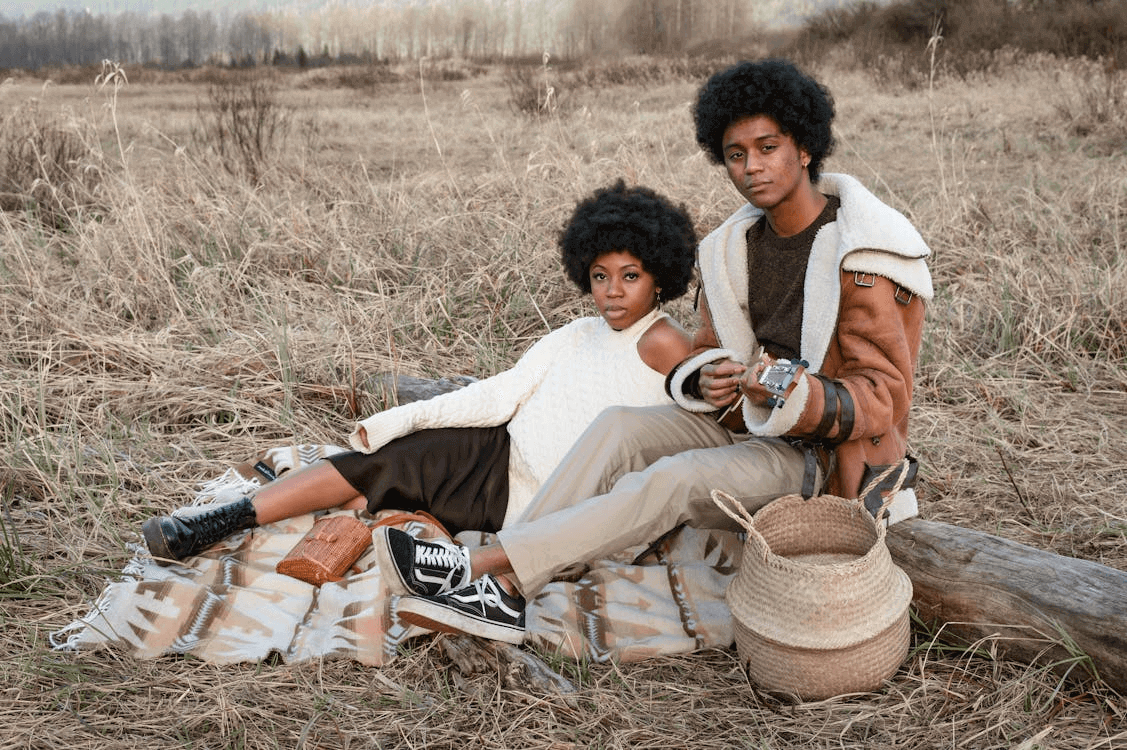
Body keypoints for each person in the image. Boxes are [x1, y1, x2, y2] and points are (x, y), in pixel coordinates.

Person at [379, 58, 934, 645]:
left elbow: (884, 397)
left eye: (768, 147)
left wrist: (784, 388)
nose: (751, 167)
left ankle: (484, 572)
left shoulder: (866, 255)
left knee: (672, 479)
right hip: (747, 426)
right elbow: (710, 353)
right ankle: (517, 571)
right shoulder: (732, 249)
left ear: (804, 148)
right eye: (735, 154)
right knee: (618, 426)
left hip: (818, 460)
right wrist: (708, 381)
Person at [141, 180, 698, 564]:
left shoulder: (664, 341)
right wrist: (402, 418)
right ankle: (222, 520)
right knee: (385, 456)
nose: (613, 292)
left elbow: (683, 432)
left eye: (630, 276)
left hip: (535, 499)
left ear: (659, 278)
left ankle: (270, 515)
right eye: (601, 276)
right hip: (496, 450)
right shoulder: (578, 333)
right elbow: (501, 393)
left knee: (387, 477)